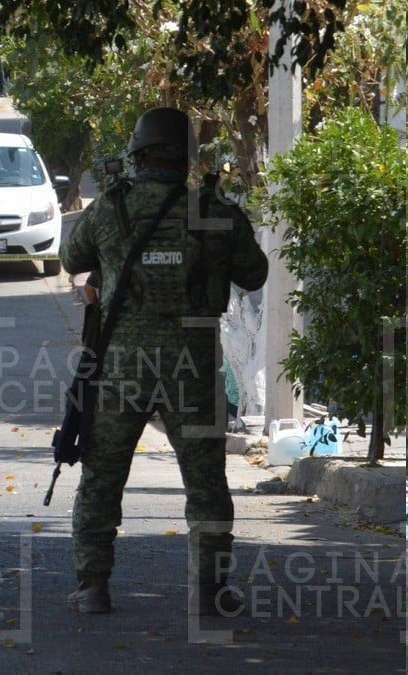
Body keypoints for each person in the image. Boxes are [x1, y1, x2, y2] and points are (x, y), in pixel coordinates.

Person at [60, 107, 269, 616]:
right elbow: (256, 273)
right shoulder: (213, 212)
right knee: (206, 483)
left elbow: (71, 258)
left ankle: (93, 585)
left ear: (136, 155)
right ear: (188, 159)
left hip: (120, 371)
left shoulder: (111, 209)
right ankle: (210, 590)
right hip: (192, 369)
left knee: (102, 476)